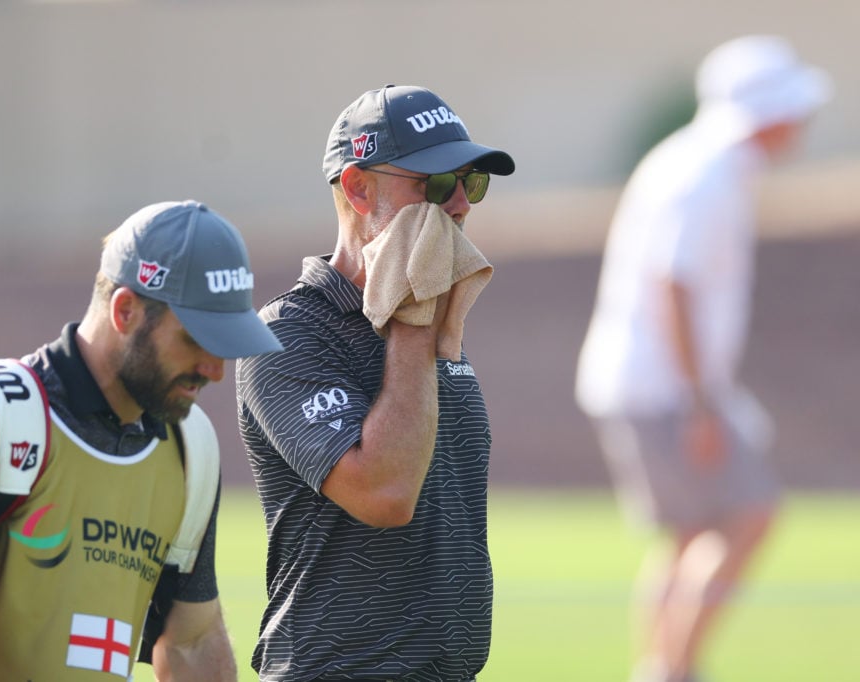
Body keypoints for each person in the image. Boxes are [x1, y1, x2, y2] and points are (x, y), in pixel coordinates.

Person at [0, 200, 283, 681]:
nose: (215, 371)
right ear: (126, 310)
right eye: (195, 340)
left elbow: (192, 641)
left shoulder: (191, 449)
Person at [235, 84, 514, 680]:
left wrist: (428, 325)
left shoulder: (437, 319)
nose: (461, 205)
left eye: (473, 182)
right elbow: (385, 495)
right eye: (437, 185)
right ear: (360, 188)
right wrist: (412, 320)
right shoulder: (288, 334)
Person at [575, 36, 832, 682]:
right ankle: (674, 671)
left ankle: (661, 668)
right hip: (661, 388)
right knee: (749, 512)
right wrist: (700, 403)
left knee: (690, 533)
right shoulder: (708, 171)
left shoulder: (697, 162)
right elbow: (675, 283)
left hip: (645, 383)